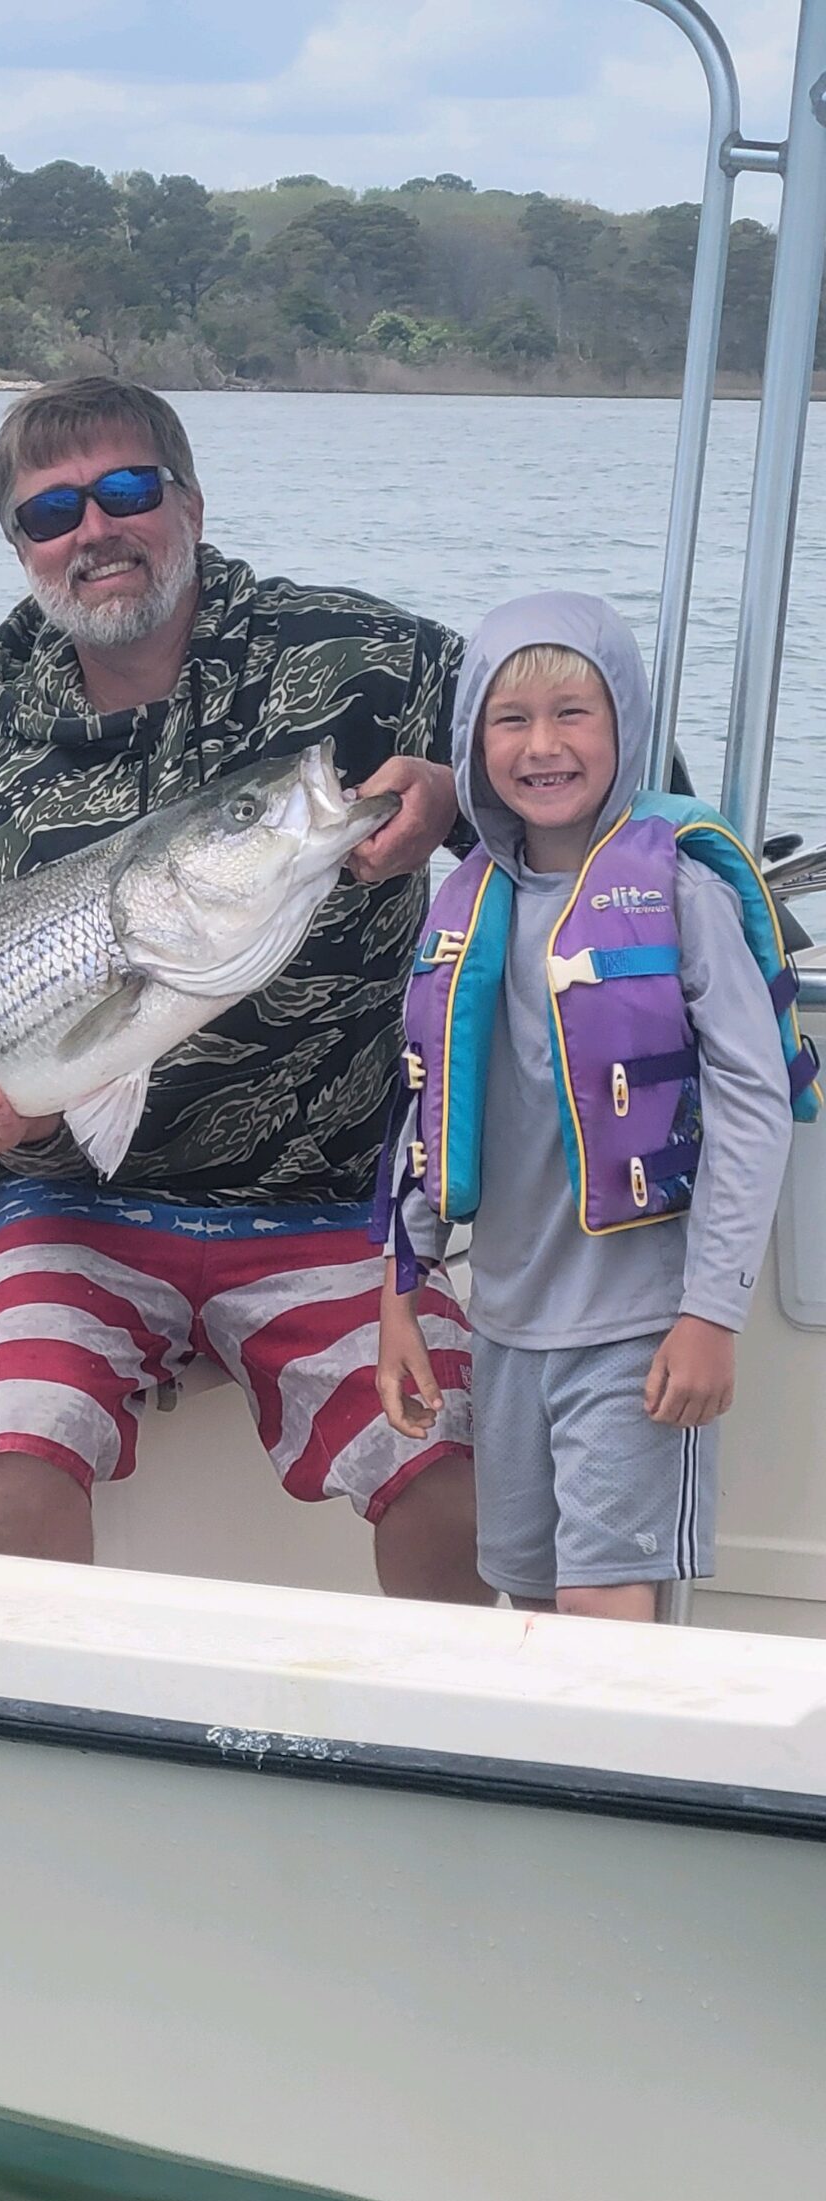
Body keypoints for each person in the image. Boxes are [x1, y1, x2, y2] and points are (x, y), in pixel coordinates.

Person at [0, 377, 486, 1602]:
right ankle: (32, 1748)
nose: (94, 532)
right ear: (21, 550)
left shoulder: (364, 663)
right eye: (50, 513)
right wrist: (10, 1115)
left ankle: (469, 1766)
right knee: (12, 1455)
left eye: (126, 491)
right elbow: (44, 1085)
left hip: (333, 1208)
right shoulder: (2, 800)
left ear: (192, 503)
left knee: (451, 1471)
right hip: (75, 1215)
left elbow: (591, 759)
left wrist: (459, 795)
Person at [376, 590, 814, 1619]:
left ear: (626, 723)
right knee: (525, 1595)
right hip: (509, 1323)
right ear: (472, 740)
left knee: (604, 1603)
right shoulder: (466, 901)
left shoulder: (680, 893)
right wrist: (399, 1293)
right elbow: (424, 1105)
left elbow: (753, 1108)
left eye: (574, 713)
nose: (543, 746)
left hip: (641, 1324)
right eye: (510, 719)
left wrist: (711, 1313)